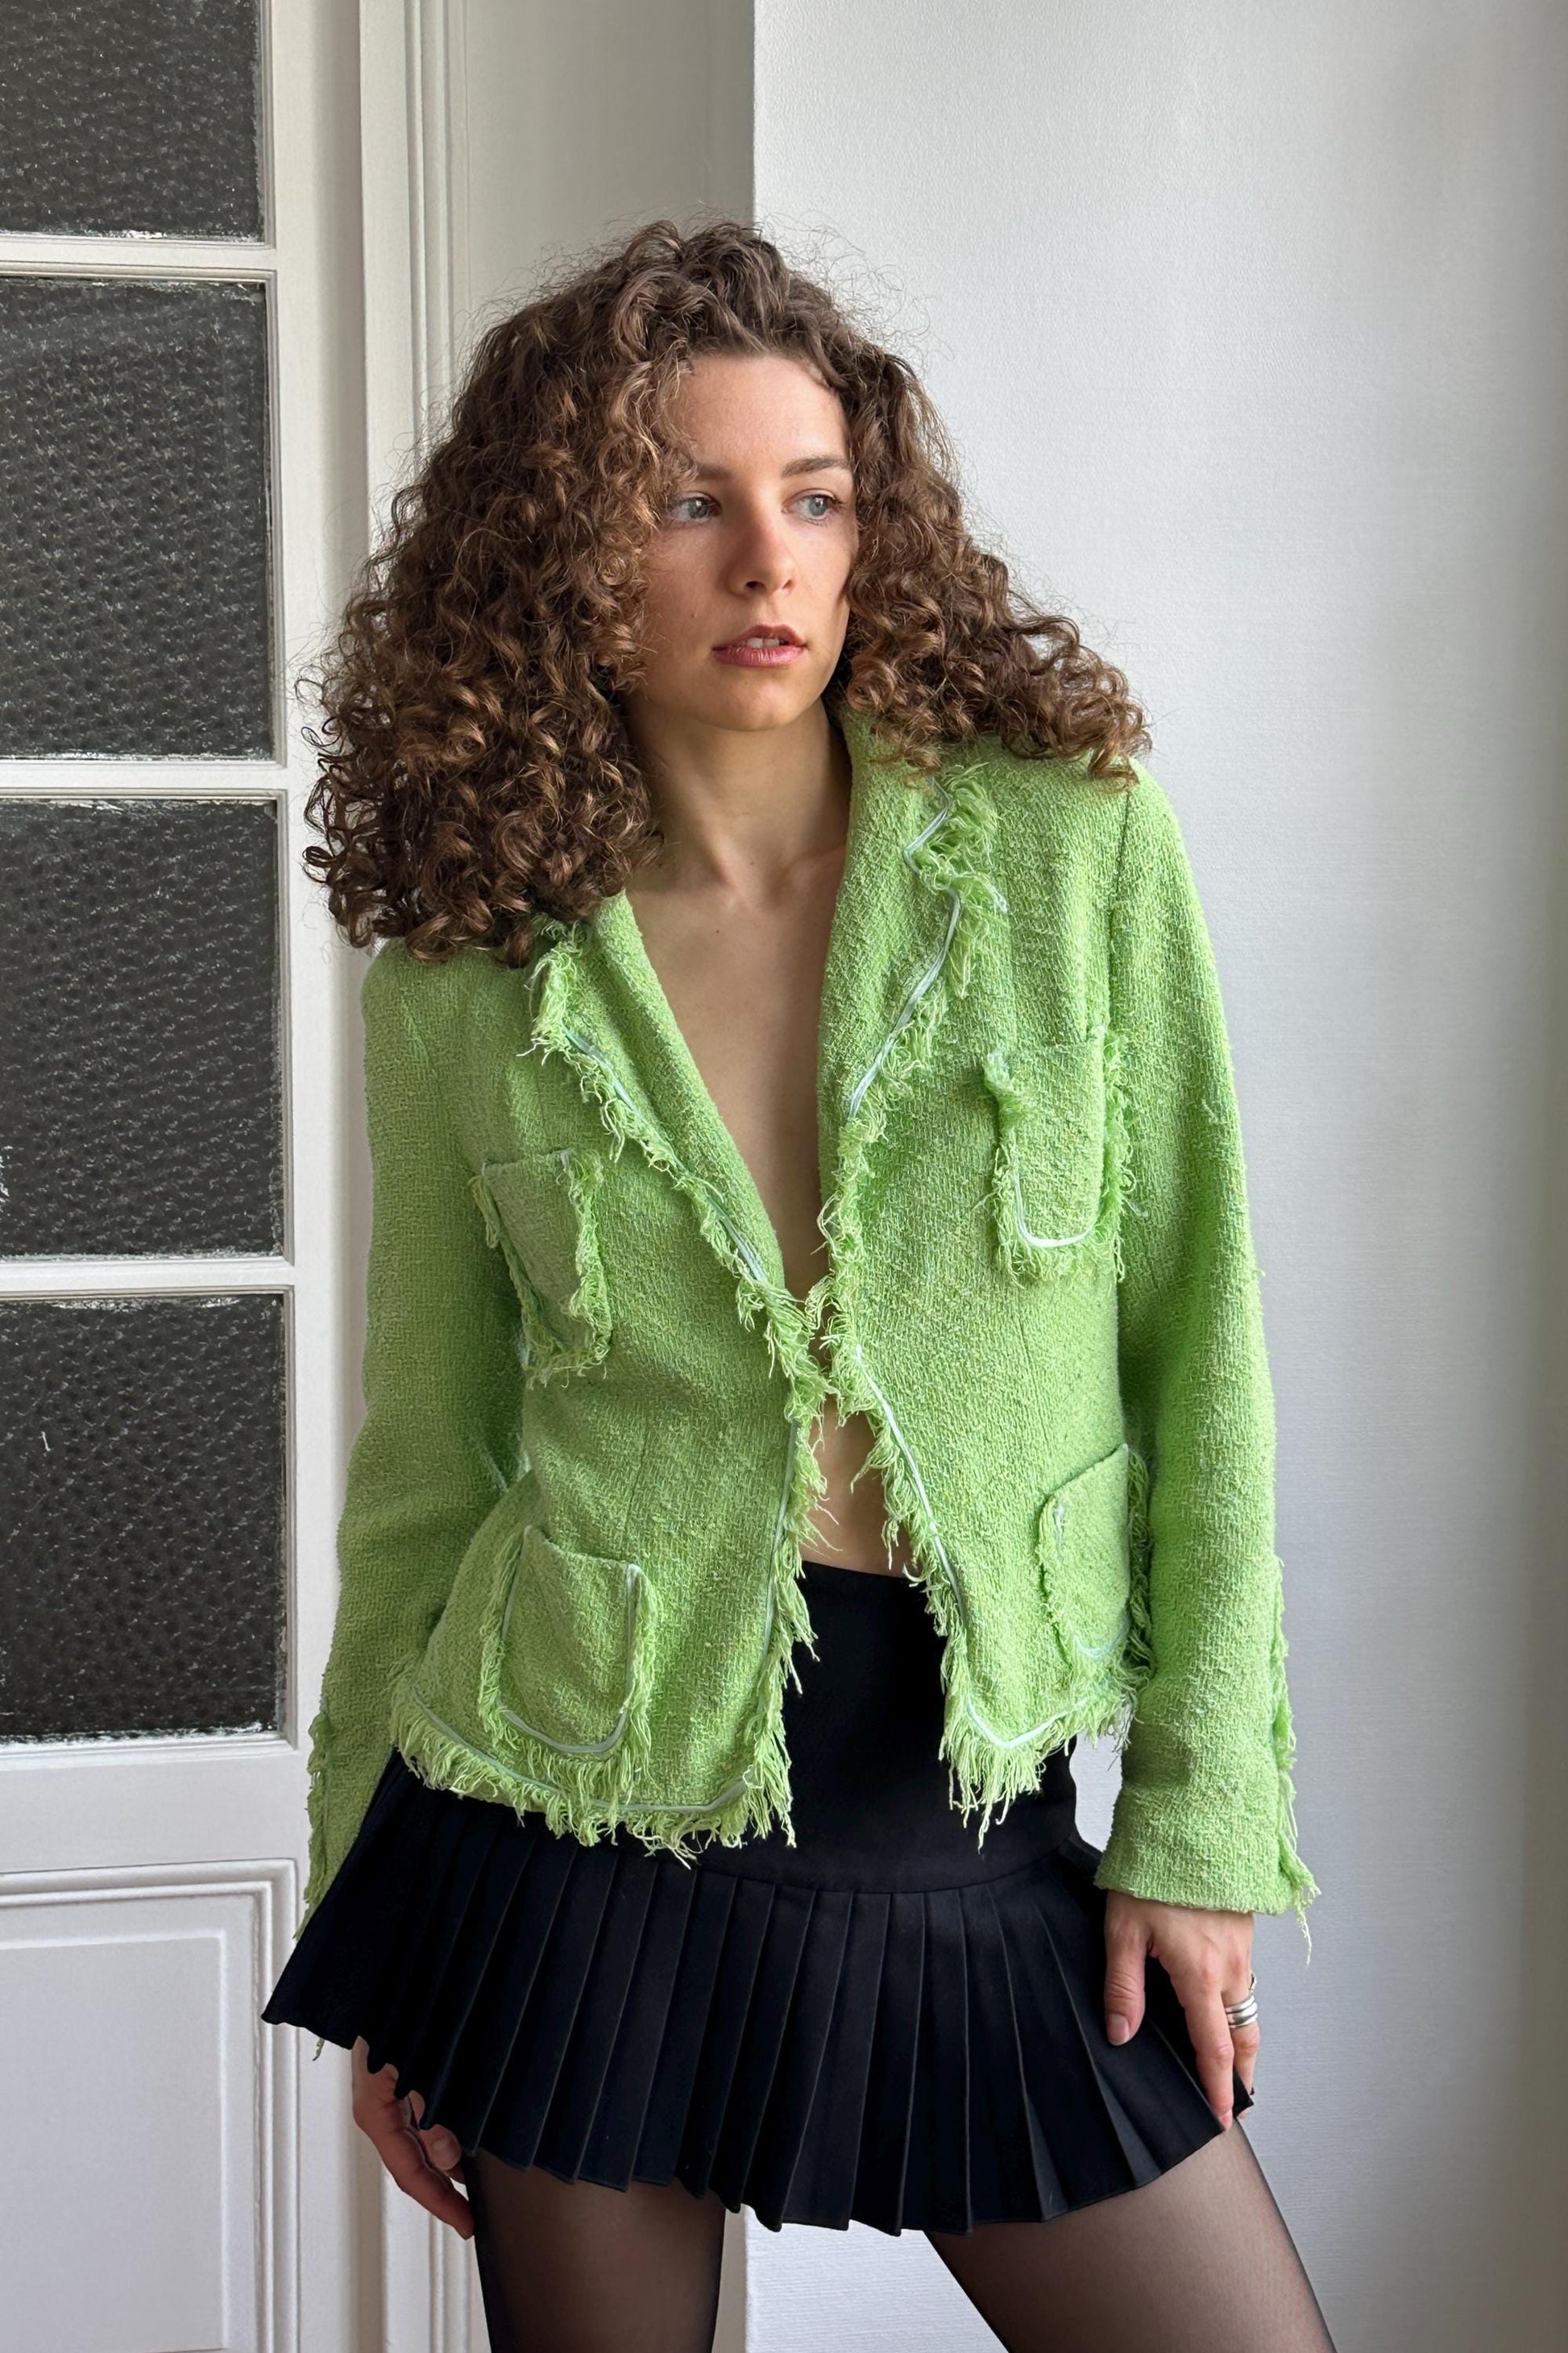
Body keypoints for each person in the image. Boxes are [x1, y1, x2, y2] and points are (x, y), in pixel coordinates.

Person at [262, 218, 1334, 2351]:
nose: (772, 562)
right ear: (562, 553)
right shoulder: (471, 969)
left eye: (816, 498)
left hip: (953, 1808)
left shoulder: (1068, 852)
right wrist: (372, 1927)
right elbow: (430, 1465)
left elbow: (1197, 1341)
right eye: (689, 500)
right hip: (564, 1827)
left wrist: (1201, 1826)